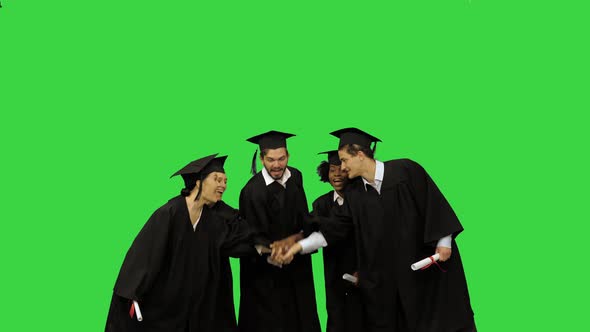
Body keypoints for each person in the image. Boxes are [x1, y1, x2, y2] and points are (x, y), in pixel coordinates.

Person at [283, 128, 476, 332]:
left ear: (360, 155)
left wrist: (444, 242)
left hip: (424, 275)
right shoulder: (356, 195)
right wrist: (298, 247)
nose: (342, 167)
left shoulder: (406, 171)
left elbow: (434, 205)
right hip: (388, 281)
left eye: (345, 160)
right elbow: (335, 229)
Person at [105, 154, 255, 332]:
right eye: (217, 179)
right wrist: (133, 293)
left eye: (225, 180)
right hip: (166, 305)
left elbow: (238, 241)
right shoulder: (169, 214)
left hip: (196, 308)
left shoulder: (212, 219)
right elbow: (144, 256)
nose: (223, 185)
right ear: (199, 182)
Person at [238, 130, 321, 332]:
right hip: (266, 271)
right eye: (271, 159)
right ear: (261, 158)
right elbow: (251, 235)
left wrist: (299, 244)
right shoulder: (251, 191)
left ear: (288, 156)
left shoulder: (296, 177)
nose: (277, 165)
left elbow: (303, 217)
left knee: (301, 315)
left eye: (281, 158)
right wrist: (276, 252)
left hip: (298, 263)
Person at [312, 150, 365, 332]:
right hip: (334, 273)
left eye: (341, 170)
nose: (336, 175)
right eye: (332, 170)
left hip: (361, 271)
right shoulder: (321, 204)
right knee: (337, 319)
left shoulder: (364, 200)